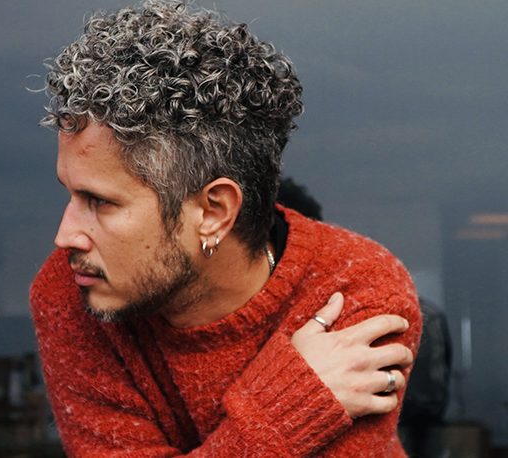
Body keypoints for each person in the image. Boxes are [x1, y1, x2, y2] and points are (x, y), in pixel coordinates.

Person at [30, 2, 422, 456]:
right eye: (71, 195)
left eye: (100, 202)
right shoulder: (71, 292)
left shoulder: (354, 288)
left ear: (214, 212)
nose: (65, 236)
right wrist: (295, 406)